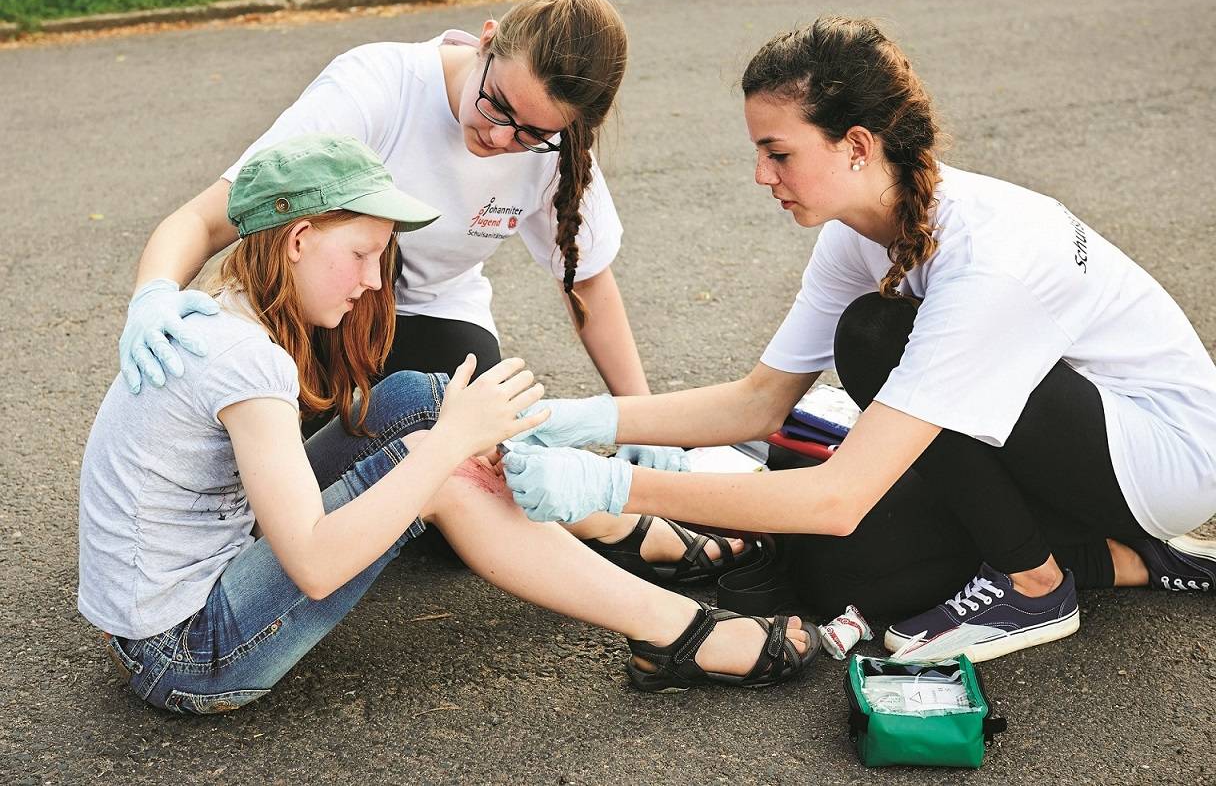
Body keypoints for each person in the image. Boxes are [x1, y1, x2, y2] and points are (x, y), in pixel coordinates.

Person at [498, 17, 1216, 664]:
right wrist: (573, 419)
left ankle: (1037, 586)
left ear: (858, 146)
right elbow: (757, 405)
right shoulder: (860, 230)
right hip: (1059, 447)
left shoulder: (989, 259)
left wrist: (609, 487)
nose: (760, 175)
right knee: (840, 573)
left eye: (777, 152)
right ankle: (1125, 559)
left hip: (1155, 460)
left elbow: (839, 496)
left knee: (874, 337)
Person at [78, 134, 814, 712]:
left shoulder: (219, 304)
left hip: (174, 598)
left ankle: (613, 526)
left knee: (420, 396)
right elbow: (313, 561)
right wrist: (450, 448)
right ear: (298, 239)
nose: (374, 281)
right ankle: (680, 634)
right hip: (184, 655)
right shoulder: (246, 360)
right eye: (363, 253)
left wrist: (451, 431)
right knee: (444, 469)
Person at [113, 0, 754, 584]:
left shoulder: (558, 154)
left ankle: (612, 525)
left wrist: (639, 422)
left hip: (430, 317)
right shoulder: (376, 87)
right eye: (496, 105)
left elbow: (587, 284)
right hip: (311, 324)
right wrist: (153, 296)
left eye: (532, 133)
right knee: (278, 514)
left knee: (477, 508)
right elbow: (203, 219)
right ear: (484, 39)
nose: (501, 137)